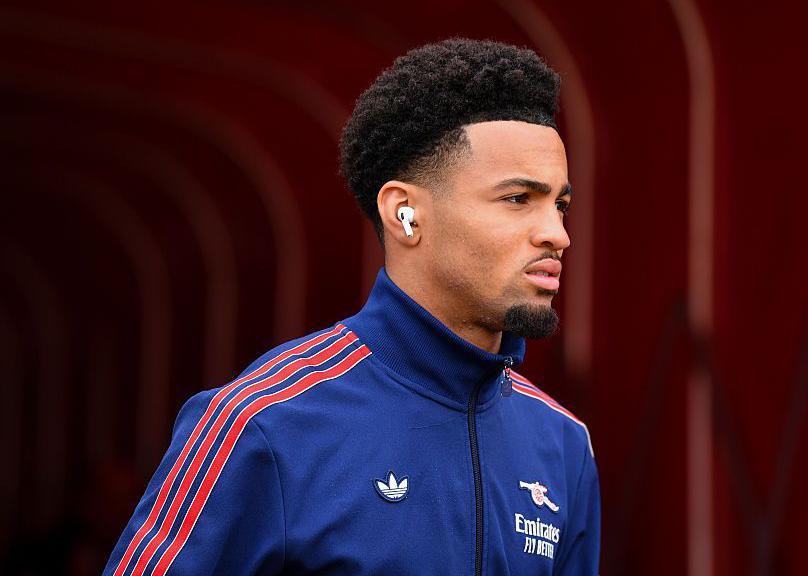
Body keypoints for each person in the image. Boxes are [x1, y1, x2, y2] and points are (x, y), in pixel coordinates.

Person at [103, 37, 599, 575]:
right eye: (518, 199)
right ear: (405, 214)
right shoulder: (263, 423)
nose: (557, 234)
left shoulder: (563, 446)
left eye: (560, 204)